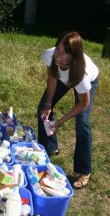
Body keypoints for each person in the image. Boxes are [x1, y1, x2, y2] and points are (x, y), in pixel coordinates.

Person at [37, 31, 99, 189]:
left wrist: (60, 122)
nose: (58, 55)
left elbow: (83, 104)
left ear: (74, 55)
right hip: (65, 77)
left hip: (80, 78)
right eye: (58, 48)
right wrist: (48, 104)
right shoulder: (50, 56)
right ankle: (49, 149)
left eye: (65, 52)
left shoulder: (82, 75)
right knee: (43, 108)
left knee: (82, 122)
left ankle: (84, 170)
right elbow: (52, 77)